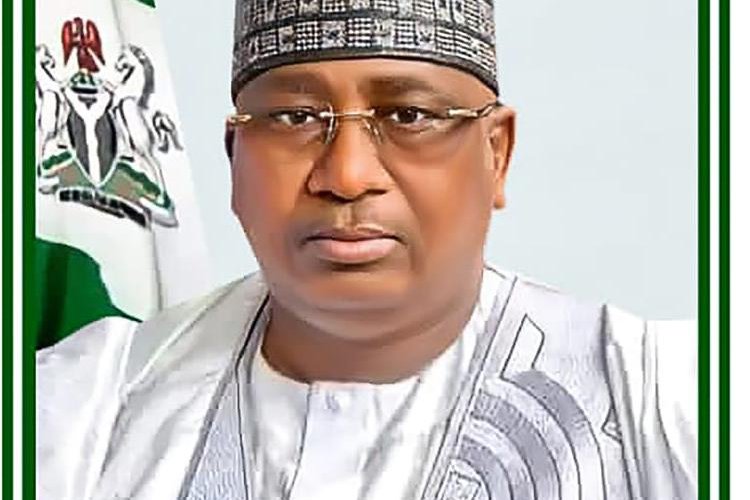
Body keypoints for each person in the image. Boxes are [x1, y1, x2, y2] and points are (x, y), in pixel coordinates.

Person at [36, 0, 697, 498]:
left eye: (409, 116)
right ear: (235, 158)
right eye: (295, 117)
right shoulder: (72, 414)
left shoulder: (667, 404)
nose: (347, 175)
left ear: (496, 154)